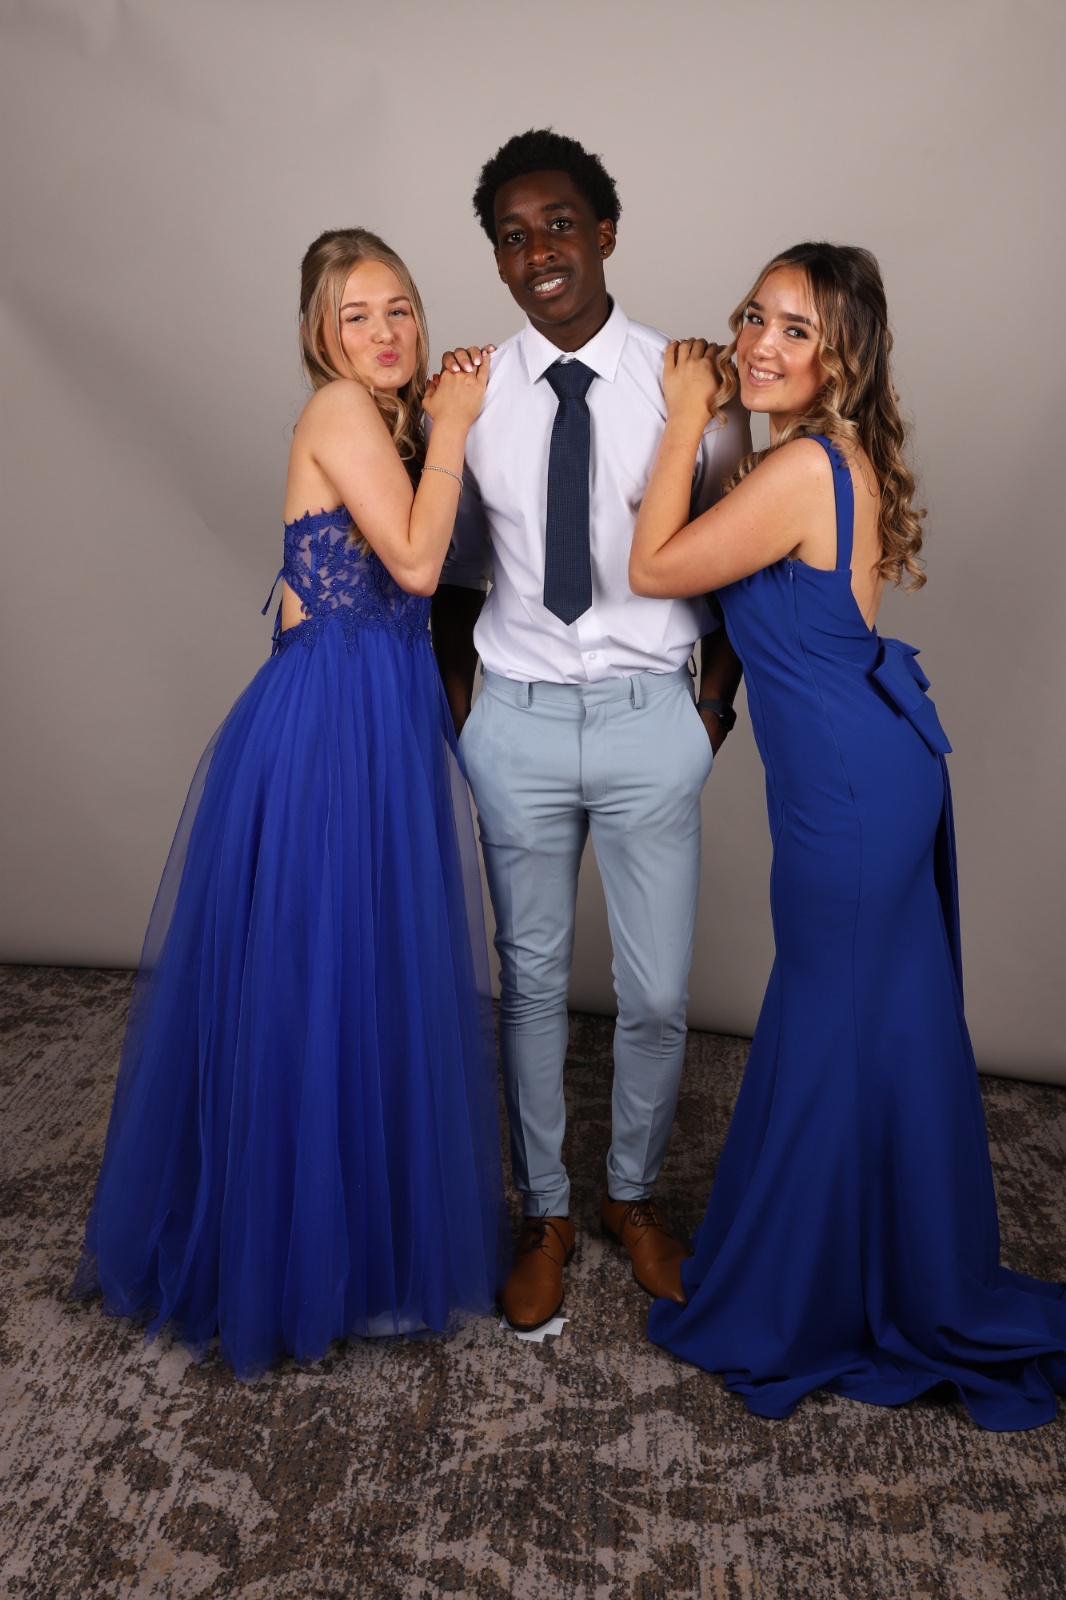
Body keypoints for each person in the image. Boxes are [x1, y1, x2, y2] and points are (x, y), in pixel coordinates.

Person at [630, 241, 1066, 1430]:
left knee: (830, 1030)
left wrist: (686, 412)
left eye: (795, 331)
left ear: (841, 360)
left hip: (850, 798)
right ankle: (888, 1269)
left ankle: (807, 1297)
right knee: (881, 1031)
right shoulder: (823, 456)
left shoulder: (803, 468)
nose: (759, 344)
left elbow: (655, 565)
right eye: (753, 317)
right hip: (874, 767)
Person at [74, 228, 506, 1379]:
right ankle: (286, 1259)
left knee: (368, 981)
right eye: (358, 314)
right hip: (325, 729)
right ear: (321, 333)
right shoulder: (339, 411)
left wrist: (459, 420)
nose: (385, 330)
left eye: (399, 307)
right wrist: (457, 425)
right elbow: (415, 564)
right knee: (315, 983)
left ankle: (357, 1251)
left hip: (381, 719)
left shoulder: (397, 422)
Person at [431, 129, 751, 1333]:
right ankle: (547, 1213)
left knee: (657, 994)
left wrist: (707, 714)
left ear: (604, 232)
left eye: (558, 224)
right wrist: (467, 722)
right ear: (498, 260)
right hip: (513, 722)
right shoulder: (472, 395)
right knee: (527, 986)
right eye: (512, 237)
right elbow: (452, 576)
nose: (538, 252)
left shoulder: (690, 384)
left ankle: (633, 1193)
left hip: (647, 716)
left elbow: (739, 568)